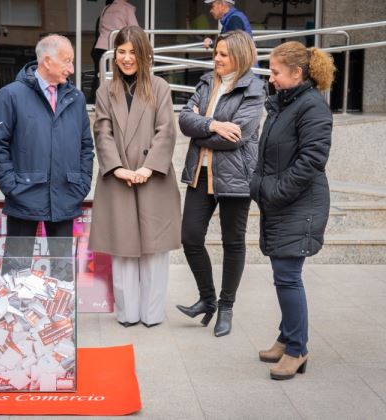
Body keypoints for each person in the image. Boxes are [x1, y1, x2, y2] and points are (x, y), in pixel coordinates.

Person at [250, 41, 335, 380]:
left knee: (288, 278)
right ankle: (286, 339)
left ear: (297, 73)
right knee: (283, 275)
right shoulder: (284, 104)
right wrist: (261, 182)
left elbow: (312, 161)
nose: (270, 78)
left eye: (275, 72)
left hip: (300, 204)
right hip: (282, 202)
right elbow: (268, 152)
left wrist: (272, 189)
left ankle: (298, 349)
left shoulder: (312, 107)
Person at [89, 26, 181, 328]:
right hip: (119, 177)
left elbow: (166, 130)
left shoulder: (159, 87)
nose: (126, 58)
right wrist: (117, 168)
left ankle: (152, 314)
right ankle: (127, 313)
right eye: (121, 52)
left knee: (154, 250)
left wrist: (147, 168)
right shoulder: (105, 90)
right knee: (123, 247)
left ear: (144, 54)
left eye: (132, 52)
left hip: (152, 176)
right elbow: (102, 131)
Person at [176, 30, 266, 337]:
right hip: (200, 173)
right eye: (216, 52)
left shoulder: (254, 89)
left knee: (232, 242)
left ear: (240, 56)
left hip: (237, 177)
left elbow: (237, 137)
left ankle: (226, 306)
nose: (216, 58)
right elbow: (184, 120)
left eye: (223, 54)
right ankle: (207, 298)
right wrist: (213, 124)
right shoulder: (205, 82)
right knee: (189, 236)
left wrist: (201, 129)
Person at [0, 34, 94, 280]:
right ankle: (16, 318)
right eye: (67, 61)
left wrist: (82, 182)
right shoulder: (10, 95)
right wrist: (11, 186)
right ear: (47, 61)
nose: (71, 68)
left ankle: (61, 318)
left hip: (66, 193)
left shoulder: (75, 98)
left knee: (62, 273)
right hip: (24, 195)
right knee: (16, 271)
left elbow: (86, 146)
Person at [90, 0, 139, 101]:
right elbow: (135, 31)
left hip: (99, 48)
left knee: (100, 76)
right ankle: (114, 103)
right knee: (117, 78)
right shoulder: (127, 9)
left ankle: (94, 101)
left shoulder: (106, 8)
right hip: (113, 50)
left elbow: (100, 29)